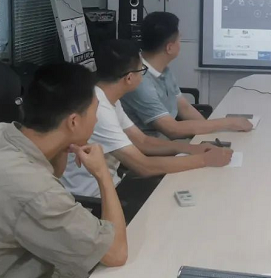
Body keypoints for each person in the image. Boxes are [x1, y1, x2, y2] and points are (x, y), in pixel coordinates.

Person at [61, 40, 234, 219]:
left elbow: (143, 141)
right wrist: (204, 160)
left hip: (113, 187)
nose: (143, 76)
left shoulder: (107, 97)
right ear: (129, 78)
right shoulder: (99, 108)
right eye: (142, 70)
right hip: (93, 202)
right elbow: (143, 166)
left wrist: (191, 149)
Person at [0, 63, 127, 277]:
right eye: (95, 111)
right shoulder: (37, 193)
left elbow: (50, 175)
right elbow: (116, 253)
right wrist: (102, 173)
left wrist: (62, 145)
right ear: (74, 121)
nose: (97, 119)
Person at [121, 12, 252, 139]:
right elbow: (172, 130)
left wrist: (209, 133)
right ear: (169, 48)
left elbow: (185, 108)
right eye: (179, 40)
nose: (180, 44)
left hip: (169, 141)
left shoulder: (163, 69)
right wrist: (228, 123)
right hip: (153, 146)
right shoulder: (139, 80)